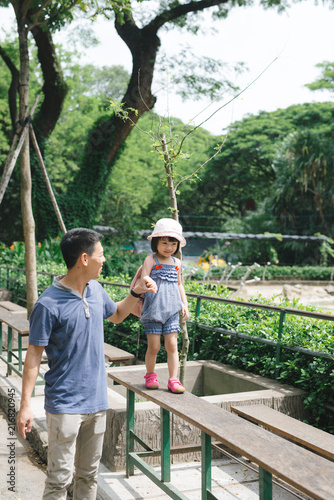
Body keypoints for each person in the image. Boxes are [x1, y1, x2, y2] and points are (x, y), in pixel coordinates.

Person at [16, 228, 157, 500]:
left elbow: (116, 315)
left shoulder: (96, 290)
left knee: (89, 476)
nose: (104, 260)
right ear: (84, 258)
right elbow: (33, 356)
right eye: (100, 255)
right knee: (59, 480)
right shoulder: (48, 304)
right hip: (64, 405)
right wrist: (25, 405)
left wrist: (136, 292)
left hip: (97, 401)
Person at [140, 218, 189, 394]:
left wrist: (185, 304)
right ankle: (150, 375)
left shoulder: (177, 263)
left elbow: (179, 285)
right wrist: (148, 281)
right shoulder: (151, 260)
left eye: (173, 243)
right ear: (156, 243)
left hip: (171, 311)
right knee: (153, 347)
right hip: (153, 310)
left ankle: (173, 380)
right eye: (165, 242)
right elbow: (143, 277)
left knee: (172, 346)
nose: (169, 247)